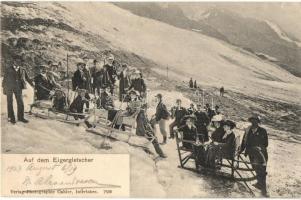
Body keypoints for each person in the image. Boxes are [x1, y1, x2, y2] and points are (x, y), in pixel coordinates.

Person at [239, 115, 269, 196]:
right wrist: (240, 150)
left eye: (255, 121)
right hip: (251, 153)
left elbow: (266, 144)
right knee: (255, 168)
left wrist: (259, 147)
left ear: (258, 123)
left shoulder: (263, 131)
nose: (253, 123)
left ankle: (264, 191)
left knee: (261, 169)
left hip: (261, 154)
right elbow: (244, 141)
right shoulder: (248, 130)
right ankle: (259, 183)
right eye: (252, 121)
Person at [2, 55, 34, 124]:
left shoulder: (23, 69)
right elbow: (4, 80)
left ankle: (21, 117)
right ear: (14, 61)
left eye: (19, 61)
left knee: (20, 102)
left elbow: (27, 78)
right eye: (16, 61)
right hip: (9, 88)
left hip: (18, 88)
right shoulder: (8, 69)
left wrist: (32, 84)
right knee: (10, 103)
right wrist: (4, 89)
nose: (18, 63)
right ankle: (11, 117)